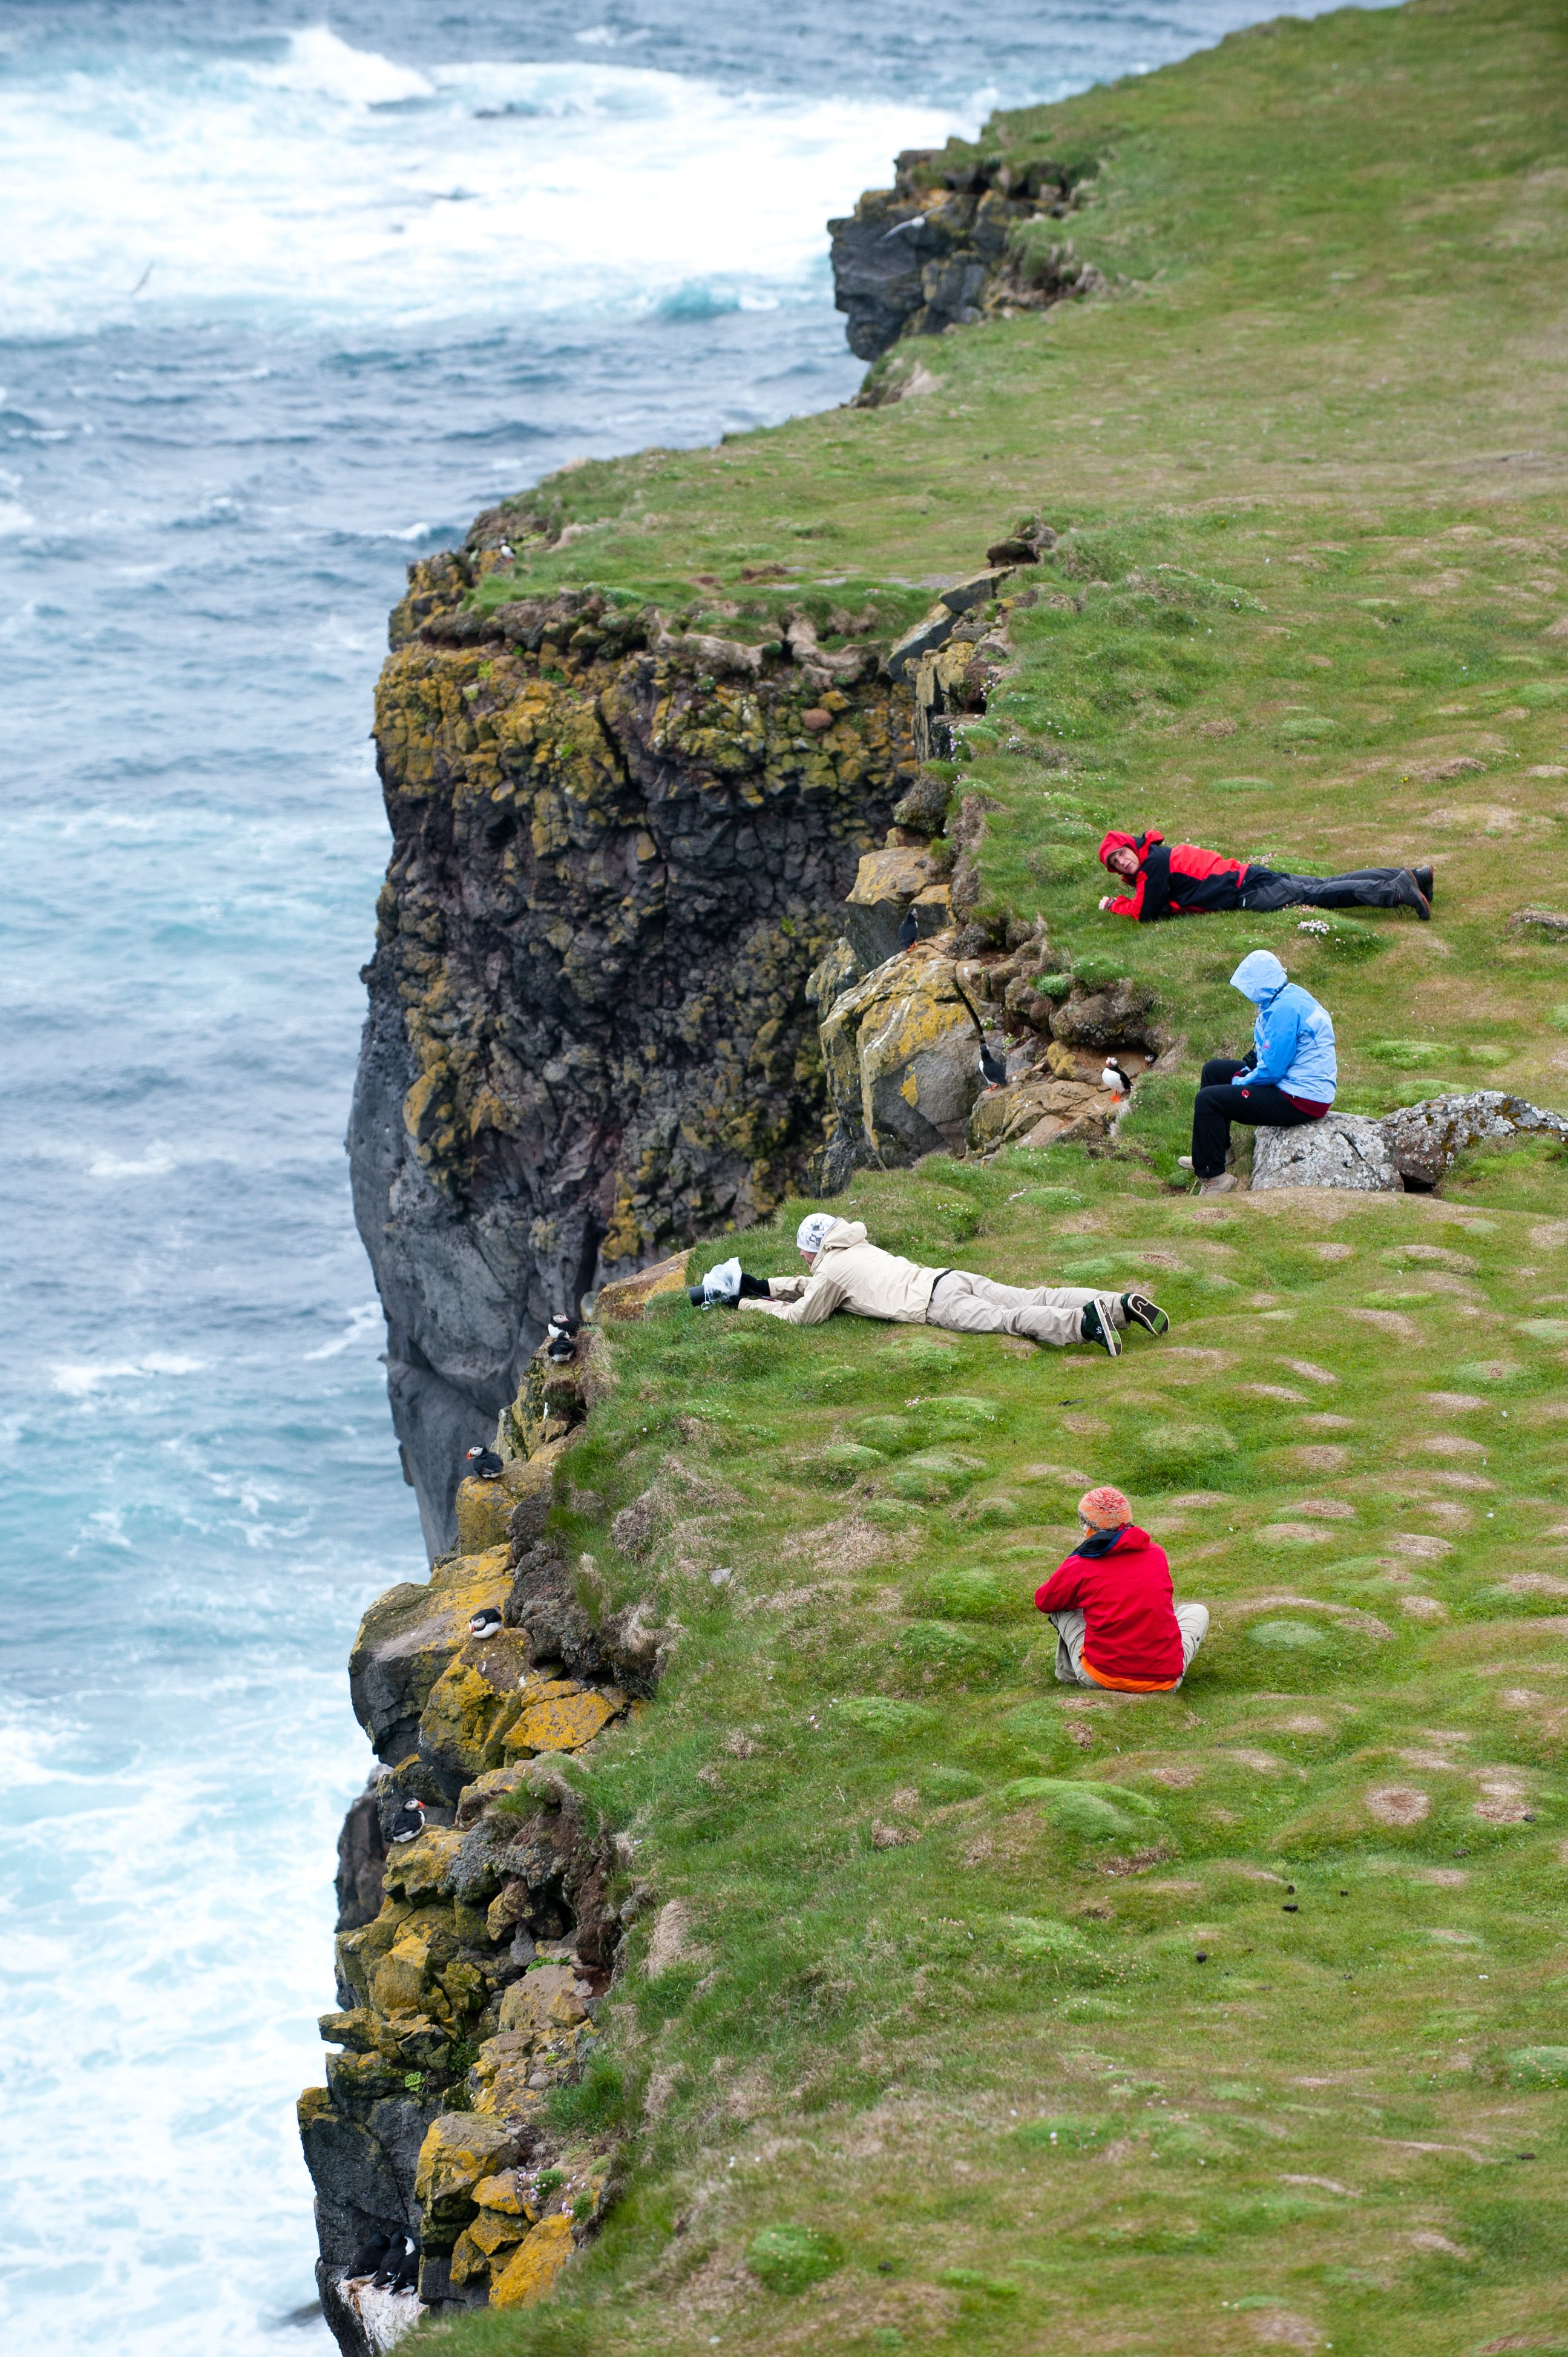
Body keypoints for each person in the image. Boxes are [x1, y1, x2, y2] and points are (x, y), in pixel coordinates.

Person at [739, 1213, 1170, 1358]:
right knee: (1033, 1295)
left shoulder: (831, 1272)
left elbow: (804, 1315)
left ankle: (1085, 1325)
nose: (803, 1260)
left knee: (1010, 1319)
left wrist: (748, 1306)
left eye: (803, 1254)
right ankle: (1117, 1303)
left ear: (813, 1250)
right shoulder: (853, 1247)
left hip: (931, 1305)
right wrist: (763, 1285)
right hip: (946, 1277)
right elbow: (811, 1285)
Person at [1187, 949, 1335, 1194]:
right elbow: (1271, 1053)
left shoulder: (1284, 1010)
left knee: (1209, 1100)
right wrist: (1245, 1072)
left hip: (1300, 1099)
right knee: (1213, 1071)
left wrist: (1241, 1082)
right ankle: (1217, 1155)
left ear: (1261, 984)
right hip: (1296, 1086)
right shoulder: (1288, 995)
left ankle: (1215, 1179)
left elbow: (1273, 1071)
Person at [1034, 1485, 1209, 1692]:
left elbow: (1044, 1600)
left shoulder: (1082, 1564)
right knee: (1198, 1611)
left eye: (1083, 1522)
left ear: (1090, 1527)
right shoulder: (1156, 1554)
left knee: (1061, 1605)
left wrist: (1074, 1562)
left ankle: (1069, 1676)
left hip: (1103, 1676)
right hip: (1165, 1681)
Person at [1097, 829, 1432, 921]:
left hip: (1244, 891)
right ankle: (1412, 876)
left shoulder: (1152, 865)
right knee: (1322, 884)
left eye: (1122, 853)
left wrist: (1115, 905)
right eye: (1115, 862)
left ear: (1131, 846)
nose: (1123, 862)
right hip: (1246, 876)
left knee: (1317, 894)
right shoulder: (1154, 856)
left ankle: (1397, 892)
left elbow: (1145, 912)